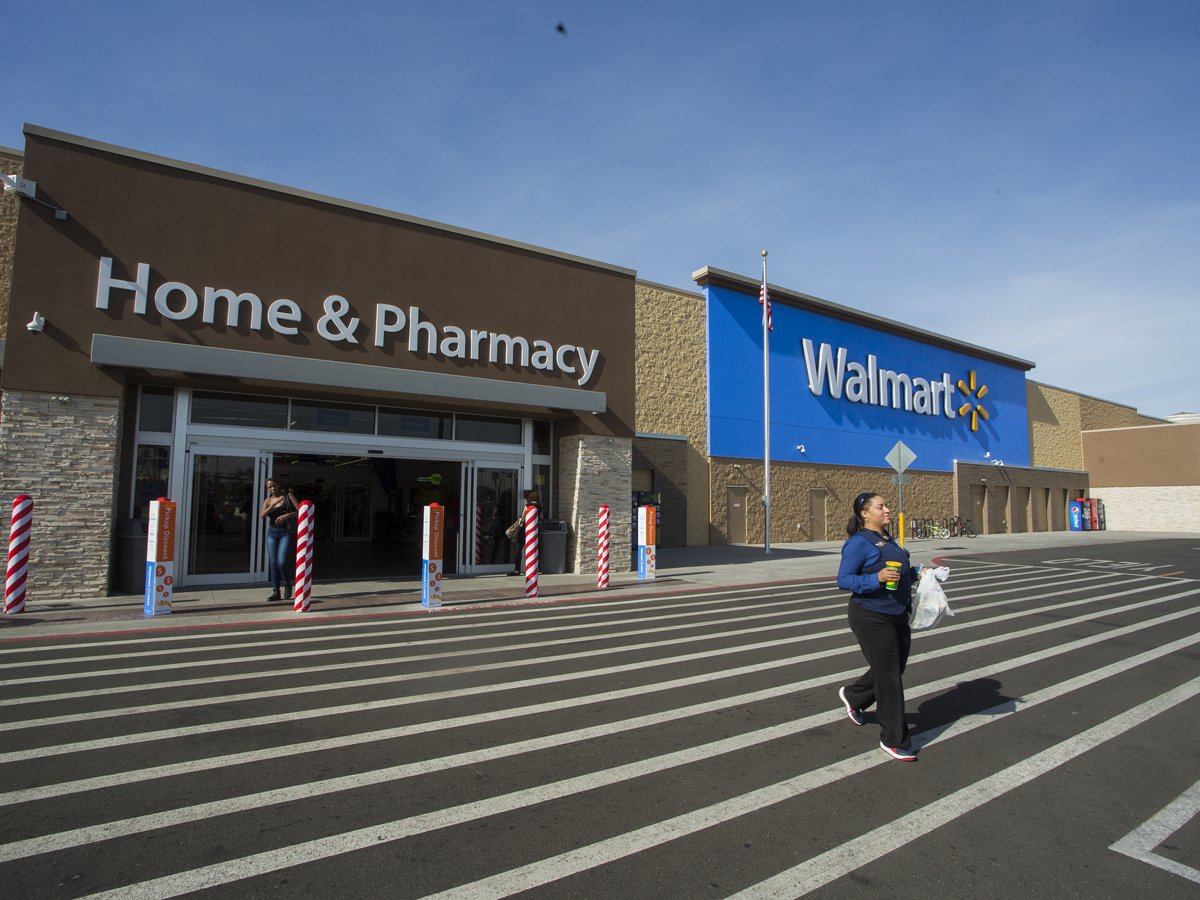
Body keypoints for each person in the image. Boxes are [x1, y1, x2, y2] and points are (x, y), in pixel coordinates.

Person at [836, 491, 924, 762]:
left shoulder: (887, 539)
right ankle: (895, 739)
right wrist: (876, 578)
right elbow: (844, 580)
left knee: (895, 668)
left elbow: (897, 575)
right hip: (870, 615)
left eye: (886, 505)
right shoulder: (859, 543)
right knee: (889, 678)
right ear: (865, 514)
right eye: (881, 507)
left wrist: (916, 573)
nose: (887, 510)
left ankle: (854, 696)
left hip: (897, 613)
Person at [259, 477, 300, 602]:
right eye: (269, 487)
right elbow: (262, 515)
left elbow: (301, 511)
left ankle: (288, 584)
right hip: (272, 532)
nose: (272, 488)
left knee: (281, 561)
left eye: (274, 486)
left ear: (279, 485)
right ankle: (275, 591)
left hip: (286, 532)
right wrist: (273, 505)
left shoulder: (288, 496)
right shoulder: (268, 500)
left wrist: (287, 515)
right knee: (273, 562)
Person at [509, 489, 541, 575]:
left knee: (518, 549)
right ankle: (537, 569)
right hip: (535, 529)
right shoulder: (539, 506)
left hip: (524, 530)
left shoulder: (528, 506)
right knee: (534, 549)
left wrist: (520, 520)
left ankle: (517, 570)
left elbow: (523, 519)